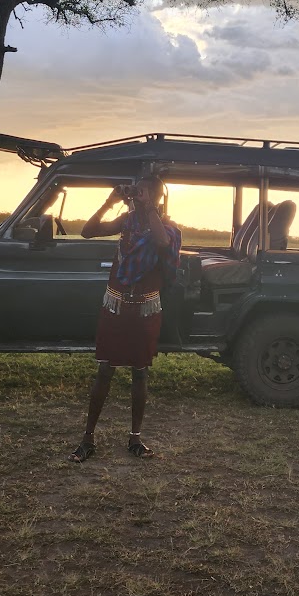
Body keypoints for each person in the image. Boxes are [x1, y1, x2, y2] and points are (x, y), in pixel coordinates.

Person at [68, 175, 181, 462]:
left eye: (143, 192)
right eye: (135, 191)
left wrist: (149, 207)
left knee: (139, 372)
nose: (136, 196)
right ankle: (88, 437)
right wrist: (110, 201)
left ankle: (135, 438)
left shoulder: (168, 227)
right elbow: (87, 231)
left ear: (156, 197)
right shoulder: (126, 222)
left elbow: (162, 242)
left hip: (145, 308)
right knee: (104, 370)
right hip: (116, 304)